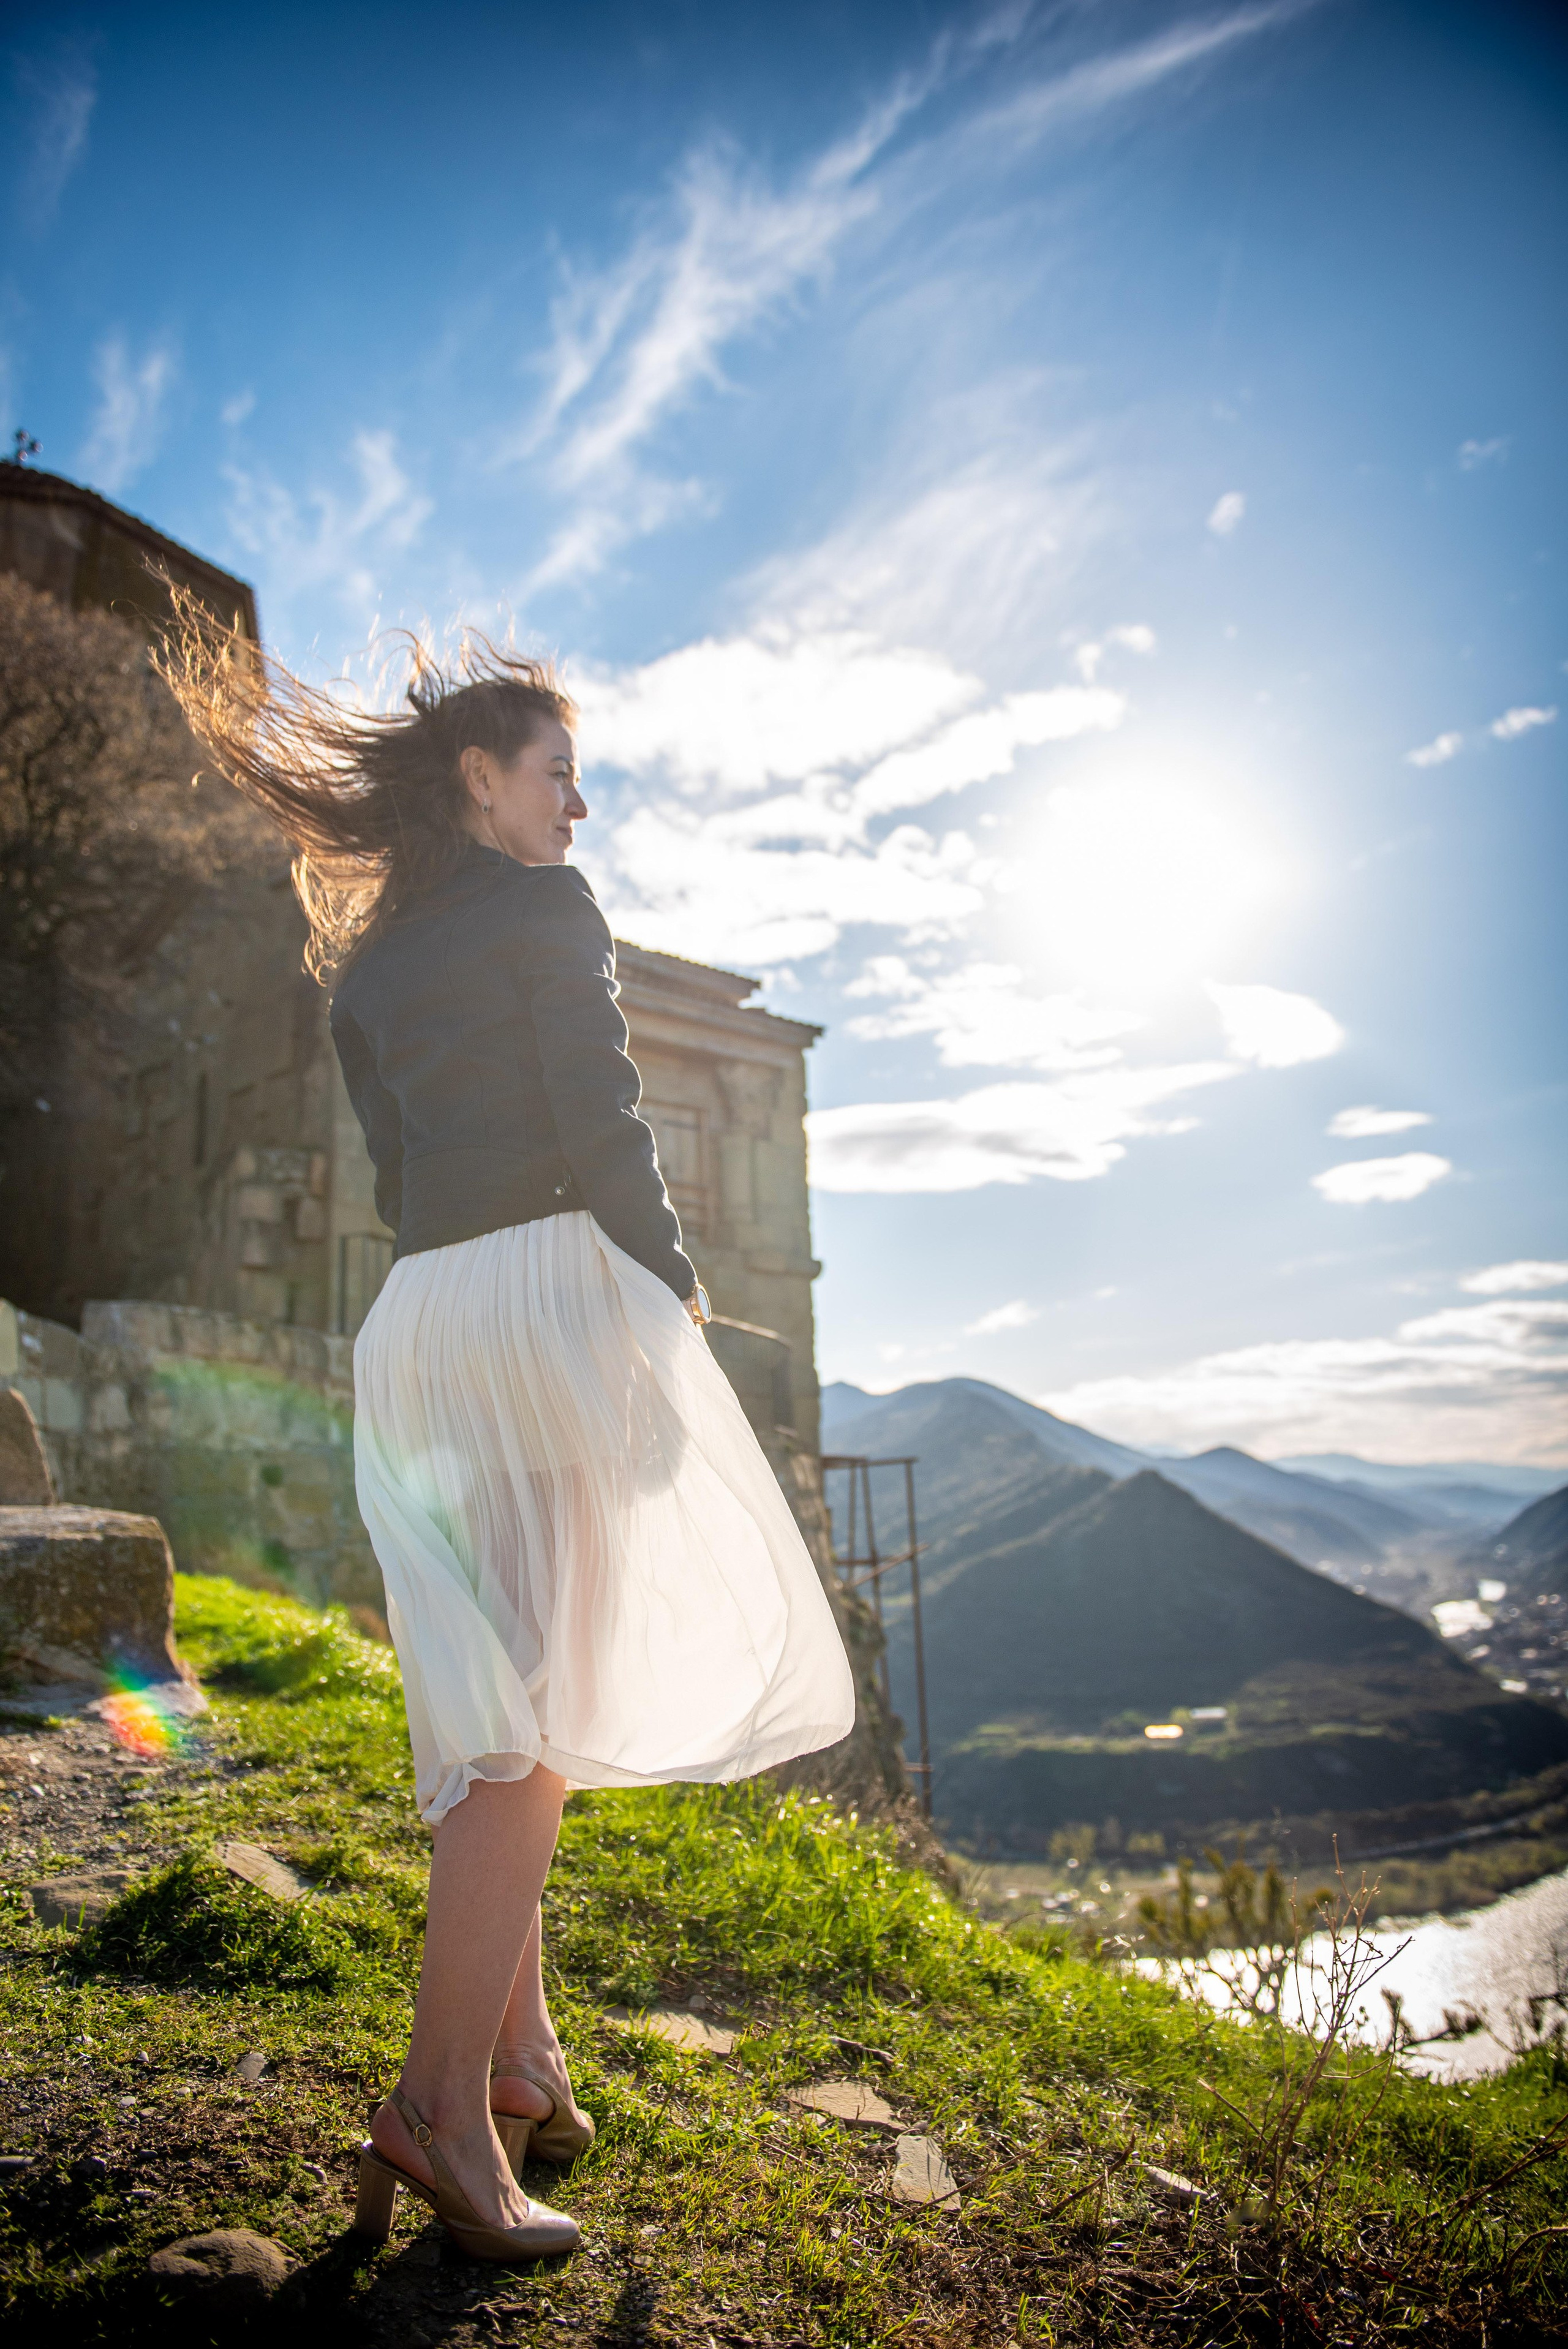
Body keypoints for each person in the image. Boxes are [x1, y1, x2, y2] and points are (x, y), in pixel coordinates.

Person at [163, 616, 856, 2262]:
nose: (581, 810)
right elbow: (607, 1109)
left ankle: (524, 2055)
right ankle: (436, 2105)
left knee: (505, 1698)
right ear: (483, 780)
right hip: (548, 1299)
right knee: (529, 1731)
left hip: (421, 1323)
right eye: (563, 774)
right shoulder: (548, 908)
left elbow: (402, 1175)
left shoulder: (371, 964)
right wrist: (667, 1292)